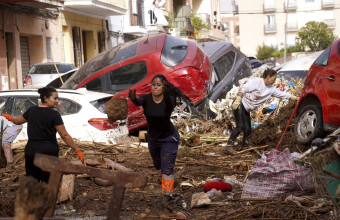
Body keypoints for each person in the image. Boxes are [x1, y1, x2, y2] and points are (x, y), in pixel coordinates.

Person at [1, 87, 84, 182]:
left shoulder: (31, 110)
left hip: (32, 151)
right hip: (48, 152)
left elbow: (17, 121)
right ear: (46, 98)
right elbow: (64, 135)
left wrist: (7, 116)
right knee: (47, 181)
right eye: (55, 98)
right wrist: (77, 150)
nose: (57, 101)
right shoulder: (54, 115)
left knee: (32, 180)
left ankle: (32, 196)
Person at [128, 74, 189, 201]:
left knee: (167, 166)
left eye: (159, 85)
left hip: (168, 138)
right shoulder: (146, 99)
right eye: (153, 85)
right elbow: (138, 102)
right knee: (158, 164)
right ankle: (167, 179)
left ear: (164, 87)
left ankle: (168, 195)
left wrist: (168, 89)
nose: (155, 87)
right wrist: (133, 99)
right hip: (153, 138)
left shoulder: (169, 100)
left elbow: (172, 96)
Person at [228, 68, 299, 148]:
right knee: (240, 126)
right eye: (274, 79)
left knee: (248, 129)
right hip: (240, 103)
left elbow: (281, 94)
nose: (274, 81)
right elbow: (244, 88)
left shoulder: (271, 89)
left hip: (247, 109)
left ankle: (245, 145)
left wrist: (292, 97)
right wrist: (238, 99)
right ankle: (229, 145)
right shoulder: (256, 82)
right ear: (268, 77)